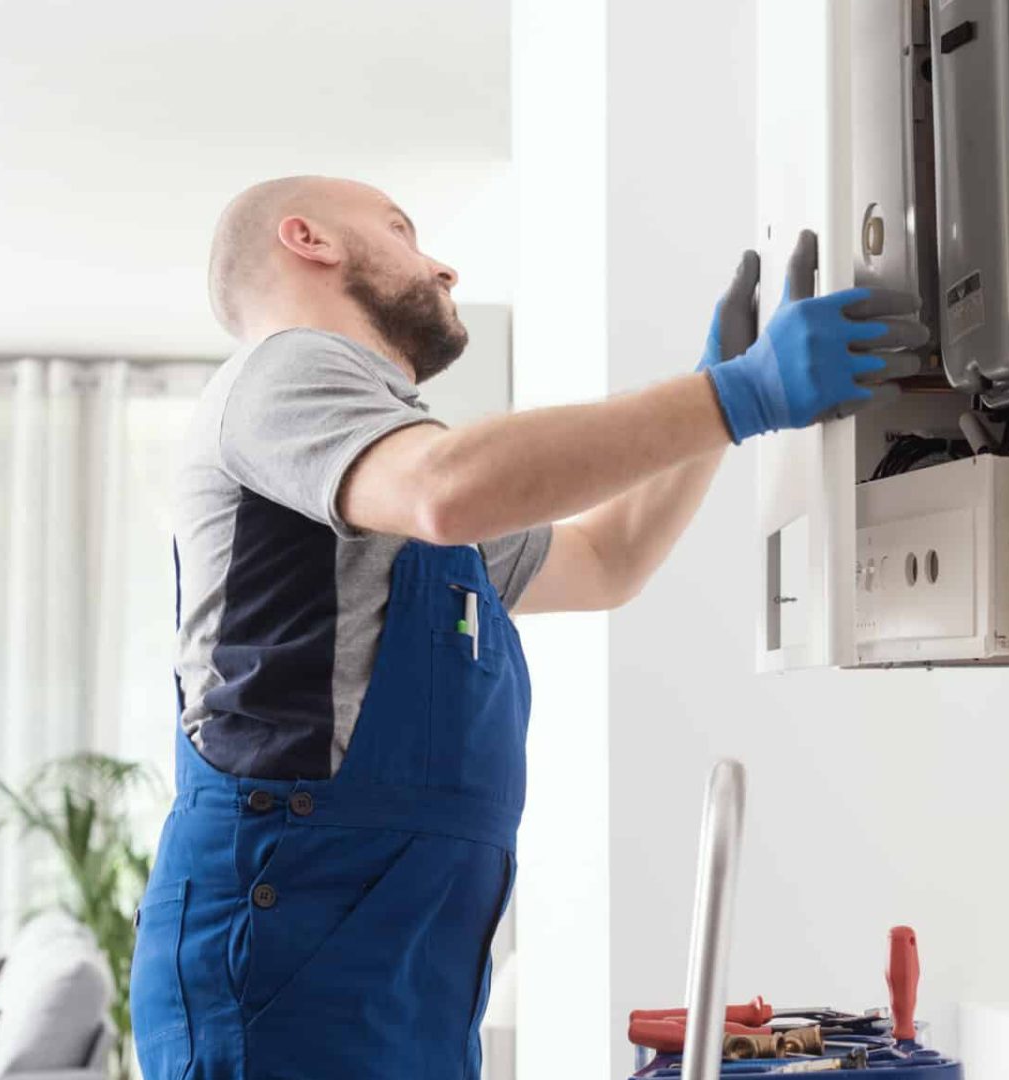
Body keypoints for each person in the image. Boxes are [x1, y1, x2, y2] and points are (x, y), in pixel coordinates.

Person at [126, 176, 921, 1079]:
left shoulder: (390, 481)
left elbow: (609, 560)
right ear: (308, 240)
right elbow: (448, 489)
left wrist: (719, 410)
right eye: (402, 228)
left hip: (397, 972)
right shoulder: (287, 369)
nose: (442, 263)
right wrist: (737, 397)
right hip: (284, 959)